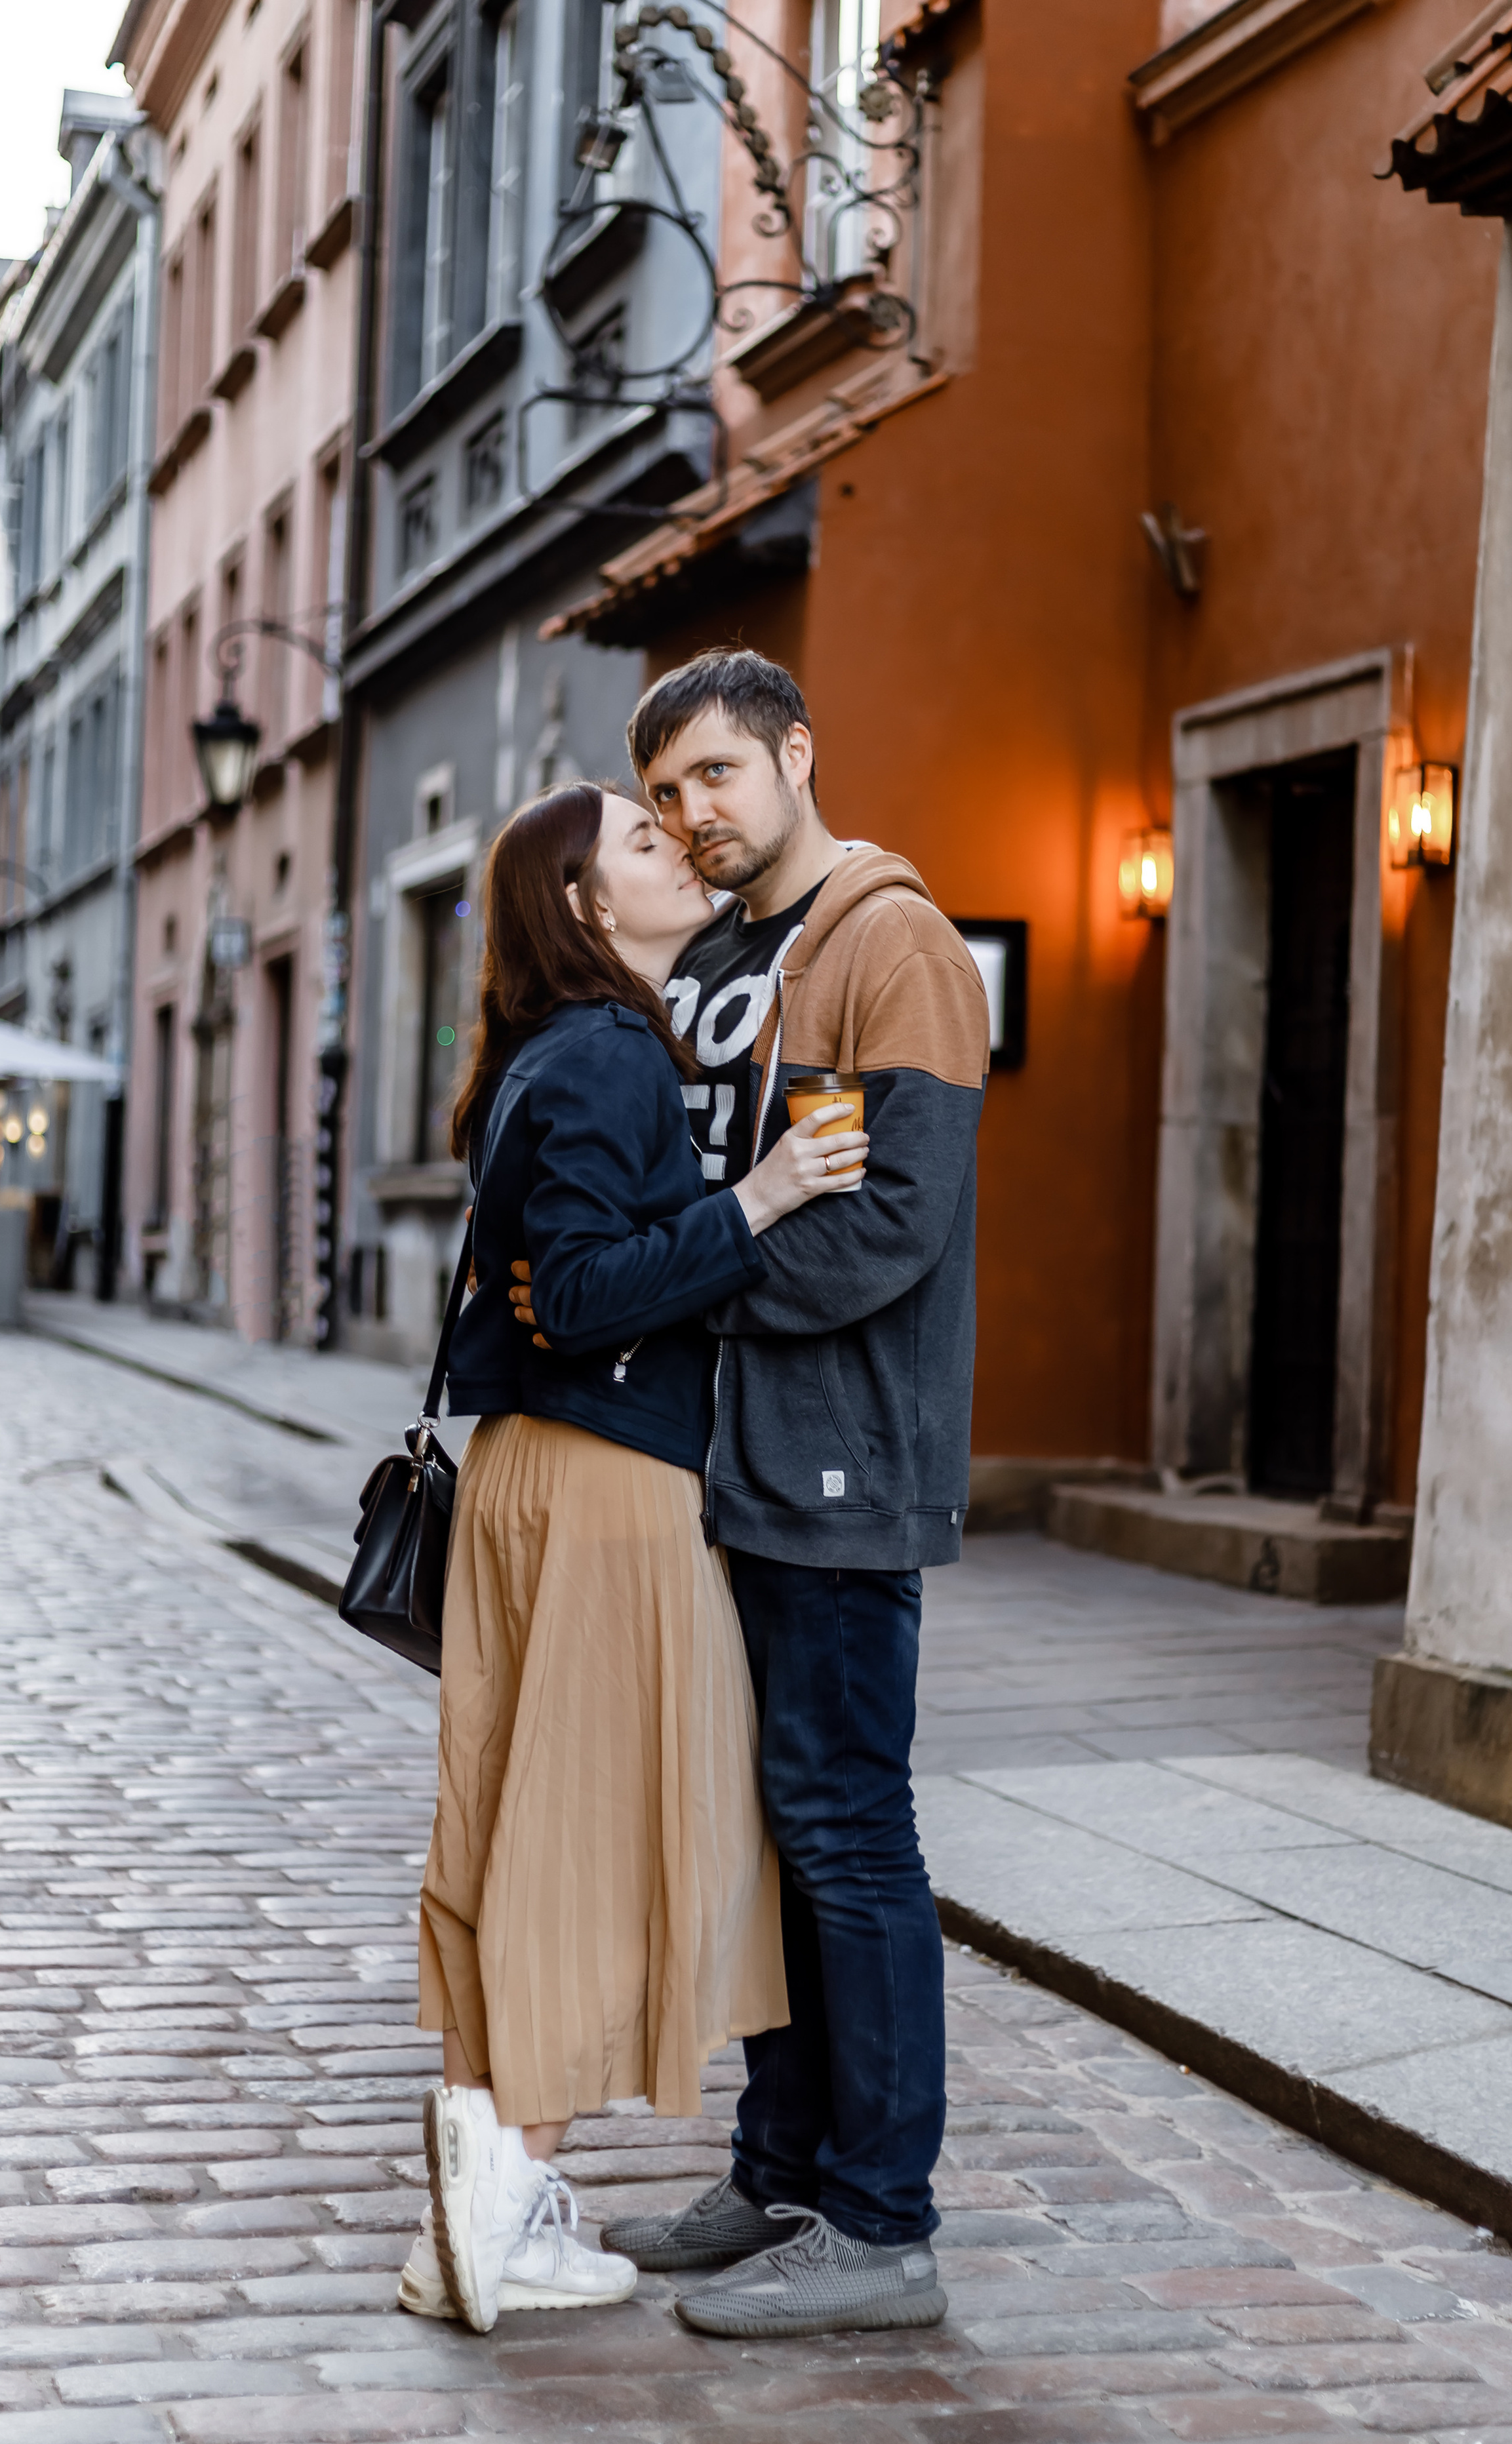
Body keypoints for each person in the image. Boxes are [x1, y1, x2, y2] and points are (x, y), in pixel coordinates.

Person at [401, 779, 871, 2338]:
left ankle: (475, 2184)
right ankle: (507, 2197)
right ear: (590, 908)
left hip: (541, 1474)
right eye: (645, 841)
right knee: (597, 1840)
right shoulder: (606, 1054)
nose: (680, 843)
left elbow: (561, 1281)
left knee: (523, 1823)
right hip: (605, 1488)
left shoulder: (558, 1053)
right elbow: (590, 1291)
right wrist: (762, 1194)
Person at [588, 650, 991, 2340]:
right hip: (725, 1464)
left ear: (794, 755)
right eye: (666, 790)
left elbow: (881, 1225)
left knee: (845, 1829)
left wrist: (686, 1278)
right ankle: (779, 2173)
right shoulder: (726, 956)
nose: (690, 813)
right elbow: (710, 1185)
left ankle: (881, 2227)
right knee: (764, 1841)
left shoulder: (889, 943)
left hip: (841, 1460)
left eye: (715, 777)